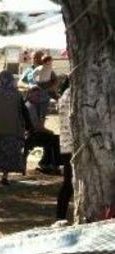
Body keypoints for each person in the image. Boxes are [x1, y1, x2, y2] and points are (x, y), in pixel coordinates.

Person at [56, 84, 74, 219]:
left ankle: (60, 215)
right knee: (68, 184)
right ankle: (60, 216)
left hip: (66, 145)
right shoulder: (74, 94)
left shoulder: (65, 95)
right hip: (74, 145)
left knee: (67, 183)